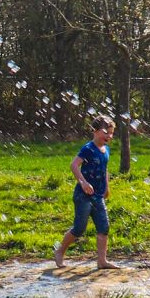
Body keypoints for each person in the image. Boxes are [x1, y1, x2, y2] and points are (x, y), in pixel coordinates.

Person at [54, 115, 120, 270]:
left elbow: (104, 169)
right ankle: (60, 251)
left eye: (111, 133)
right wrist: (83, 182)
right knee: (79, 228)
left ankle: (102, 261)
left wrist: (107, 187)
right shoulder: (88, 149)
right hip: (83, 196)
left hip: (98, 195)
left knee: (104, 227)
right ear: (95, 131)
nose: (109, 136)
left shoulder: (106, 150)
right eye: (106, 133)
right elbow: (74, 165)